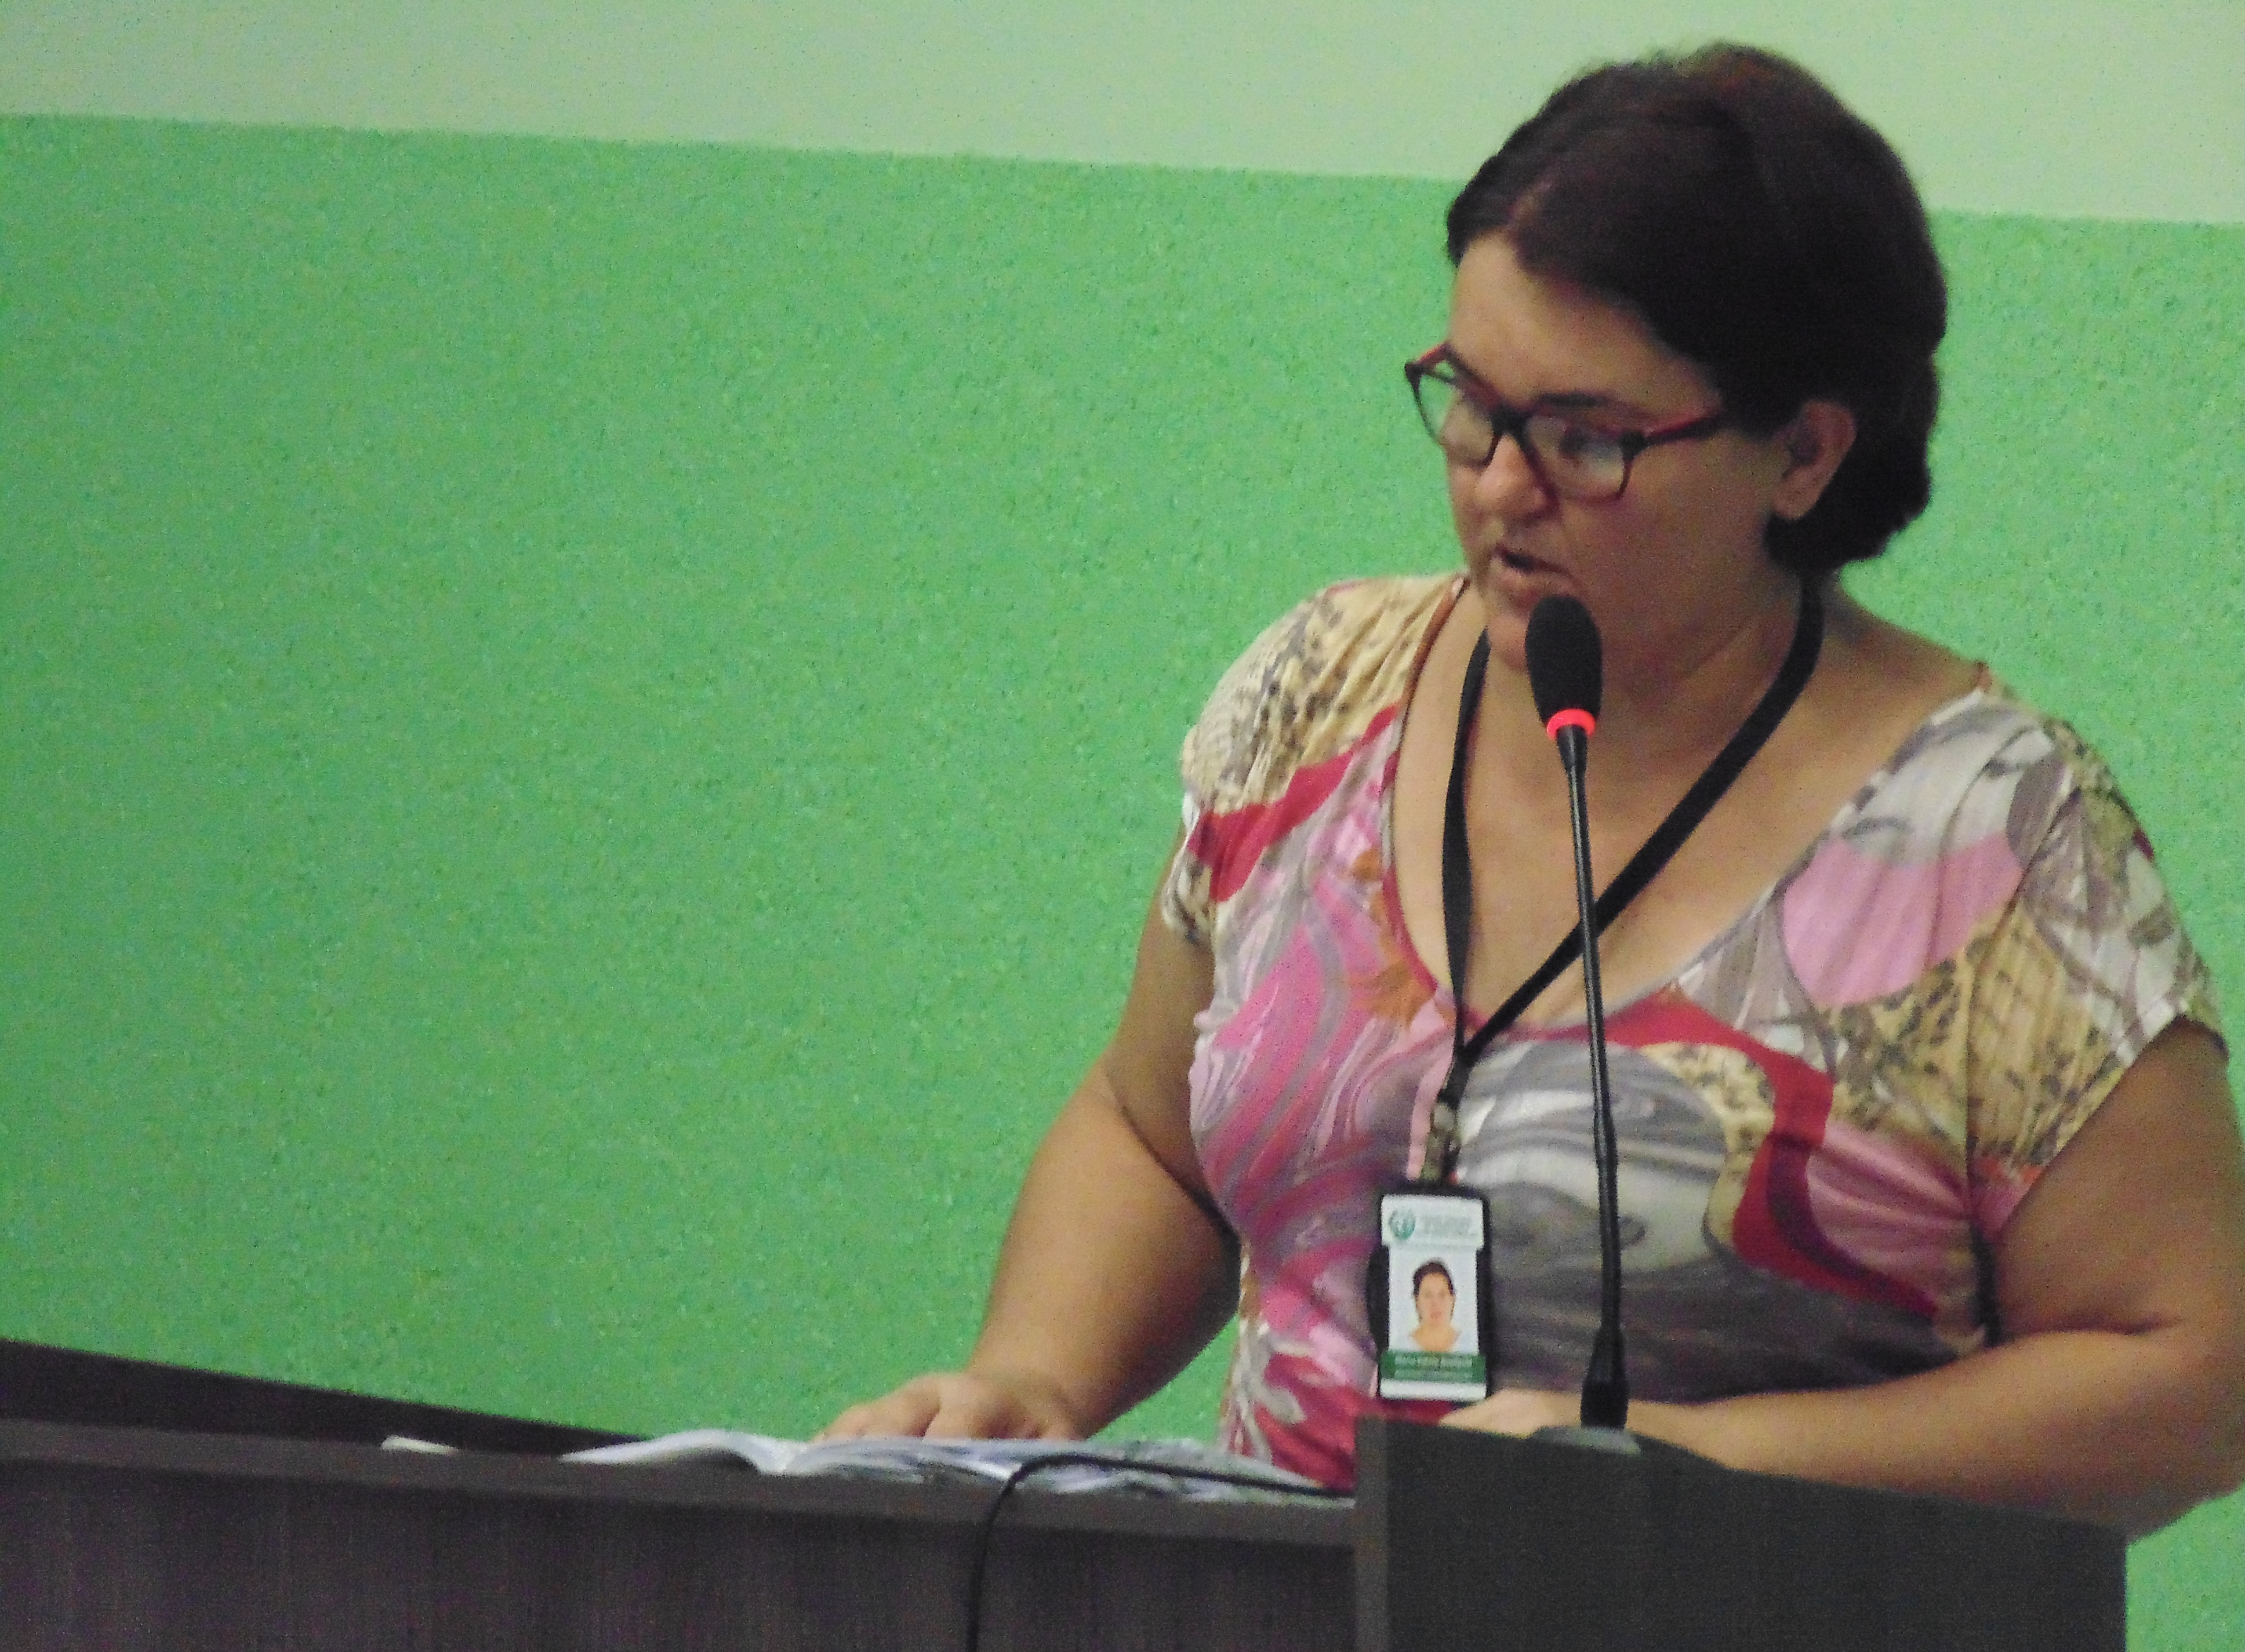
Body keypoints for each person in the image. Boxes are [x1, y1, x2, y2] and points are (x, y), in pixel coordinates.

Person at [824, 43, 2245, 1537]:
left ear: (1803, 453)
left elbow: (2194, 1378)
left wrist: (1681, 1458)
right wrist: (1036, 1375)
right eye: (1470, 403)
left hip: (1744, 1623)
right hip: (1271, 1618)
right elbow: (1150, 1132)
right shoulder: (1323, 690)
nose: (1500, 484)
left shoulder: (1994, 840)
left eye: (1585, 438)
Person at [1408, 1261, 1460, 1355]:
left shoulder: (1470, 1345)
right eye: (1428, 1296)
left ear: (1453, 1299)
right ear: (1416, 1300)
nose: (1436, 1304)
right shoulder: (1401, 1347)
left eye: (1442, 1295)